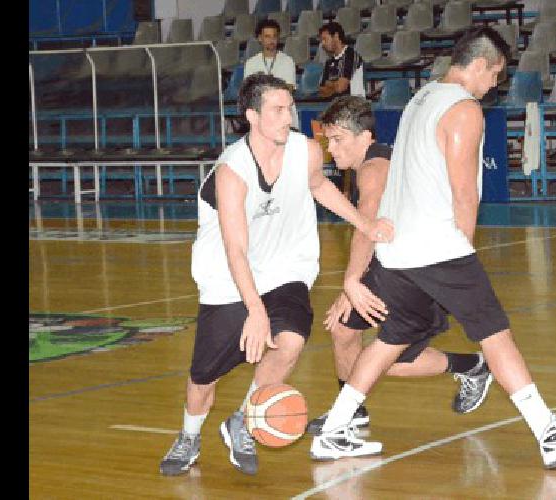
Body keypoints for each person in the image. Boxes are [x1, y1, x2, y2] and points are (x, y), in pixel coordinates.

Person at [308, 26, 556, 469]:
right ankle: (550, 434)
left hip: (399, 251)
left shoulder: (423, 97)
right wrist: (464, 248)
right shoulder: (464, 109)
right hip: (437, 247)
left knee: (390, 339)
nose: (496, 84)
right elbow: (464, 192)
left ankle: (335, 430)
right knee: (494, 333)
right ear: (478, 64)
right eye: (495, 73)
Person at [158, 74, 393, 477]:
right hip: (228, 277)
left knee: (291, 341)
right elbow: (235, 249)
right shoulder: (232, 171)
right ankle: (189, 436)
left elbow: (319, 186)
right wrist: (254, 309)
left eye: (290, 108)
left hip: (286, 267)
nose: (289, 118)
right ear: (252, 116)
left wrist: (365, 224)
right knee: (203, 378)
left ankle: (243, 422)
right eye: (278, 111)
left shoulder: (305, 151)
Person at [303, 95, 496, 436]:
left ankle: (471, 366)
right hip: (398, 265)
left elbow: (369, 225)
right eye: (327, 140)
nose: (331, 150)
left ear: (364, 137)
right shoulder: (379, 160)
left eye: (337, 140)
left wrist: (352, 283)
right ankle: (353, 414)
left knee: (383, 359)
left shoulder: (373, 170)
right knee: (347, 334)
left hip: (418, 272)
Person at [243, 19, 300, 130]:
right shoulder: (251, 63)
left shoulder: (287, 61)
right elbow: (249, 91)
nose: (271, 40)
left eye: (274, 36)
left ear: (278, 38)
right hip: (262, 118)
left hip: (284, 115)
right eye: (267, 36)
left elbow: (288, 89)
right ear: (260, 38)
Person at [317, 22, 366, 99]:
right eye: (321, 40)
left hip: (354, 106)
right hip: (336, 106)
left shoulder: (351, 56)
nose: (323, 43)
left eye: (325, 39)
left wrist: (330, 85)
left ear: (336, 36)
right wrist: (335, 85)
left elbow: (341, 87)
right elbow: (321, 91)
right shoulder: (329, 62)